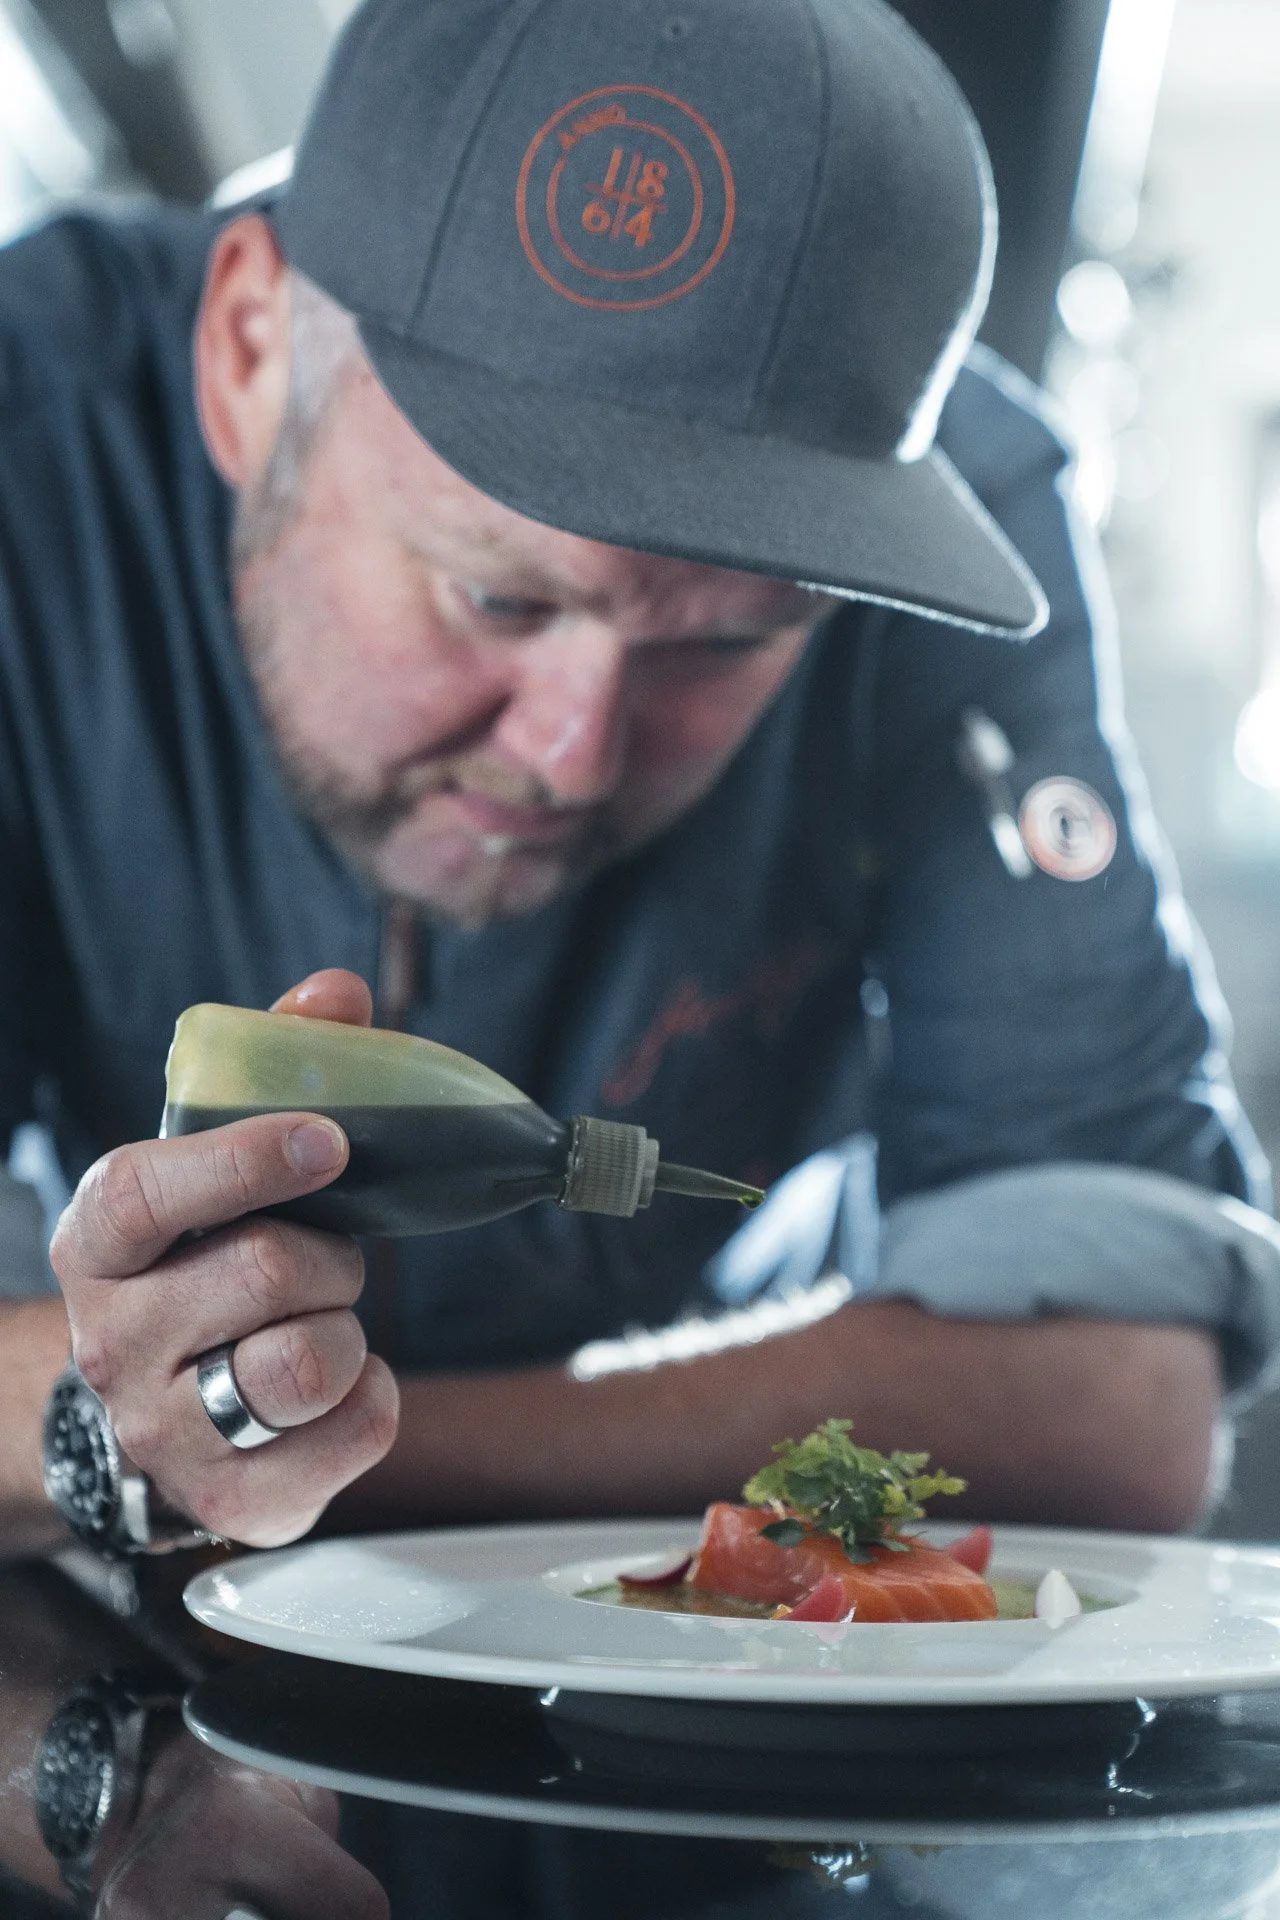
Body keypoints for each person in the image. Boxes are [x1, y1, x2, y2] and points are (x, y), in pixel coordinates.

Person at [1, 0, 1278, 1566]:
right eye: (501, 599)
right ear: (252, 352)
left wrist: (276, 1439)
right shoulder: (23, 453)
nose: (572, 752)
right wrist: (116, 1413)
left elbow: (1115, 1394)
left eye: (732, 643)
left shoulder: (954, 528)